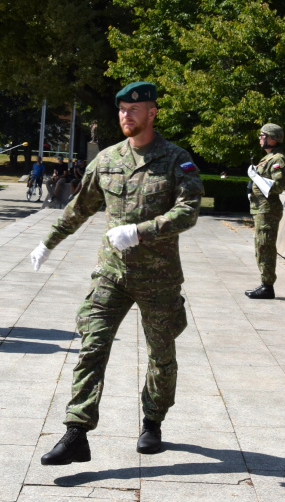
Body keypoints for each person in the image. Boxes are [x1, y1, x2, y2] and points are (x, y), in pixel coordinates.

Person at [30, 81, 204, 465]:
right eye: (122, 110)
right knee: (92, 344)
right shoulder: (107, 159)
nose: (127, 116)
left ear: (152, 112)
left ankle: (153, 421)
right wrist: (47, 243)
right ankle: (76, 431)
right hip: (112, 273)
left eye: (135, 110)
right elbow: (79, 207)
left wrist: (140, 232)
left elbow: (189, 210)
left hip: (158, 278)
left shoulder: (176, 159)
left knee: (161, 355)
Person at [245, 123, 285, 299]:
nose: (260, 138)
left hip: (268, 210)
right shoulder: (268, 158)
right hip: (261, 209)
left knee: (265, 246)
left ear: (272, 138)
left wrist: (255, 176)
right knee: (260, 246)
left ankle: (267, 286)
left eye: (262, 135)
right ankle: (265, 283)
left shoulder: (278, 159)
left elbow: (278, 187)